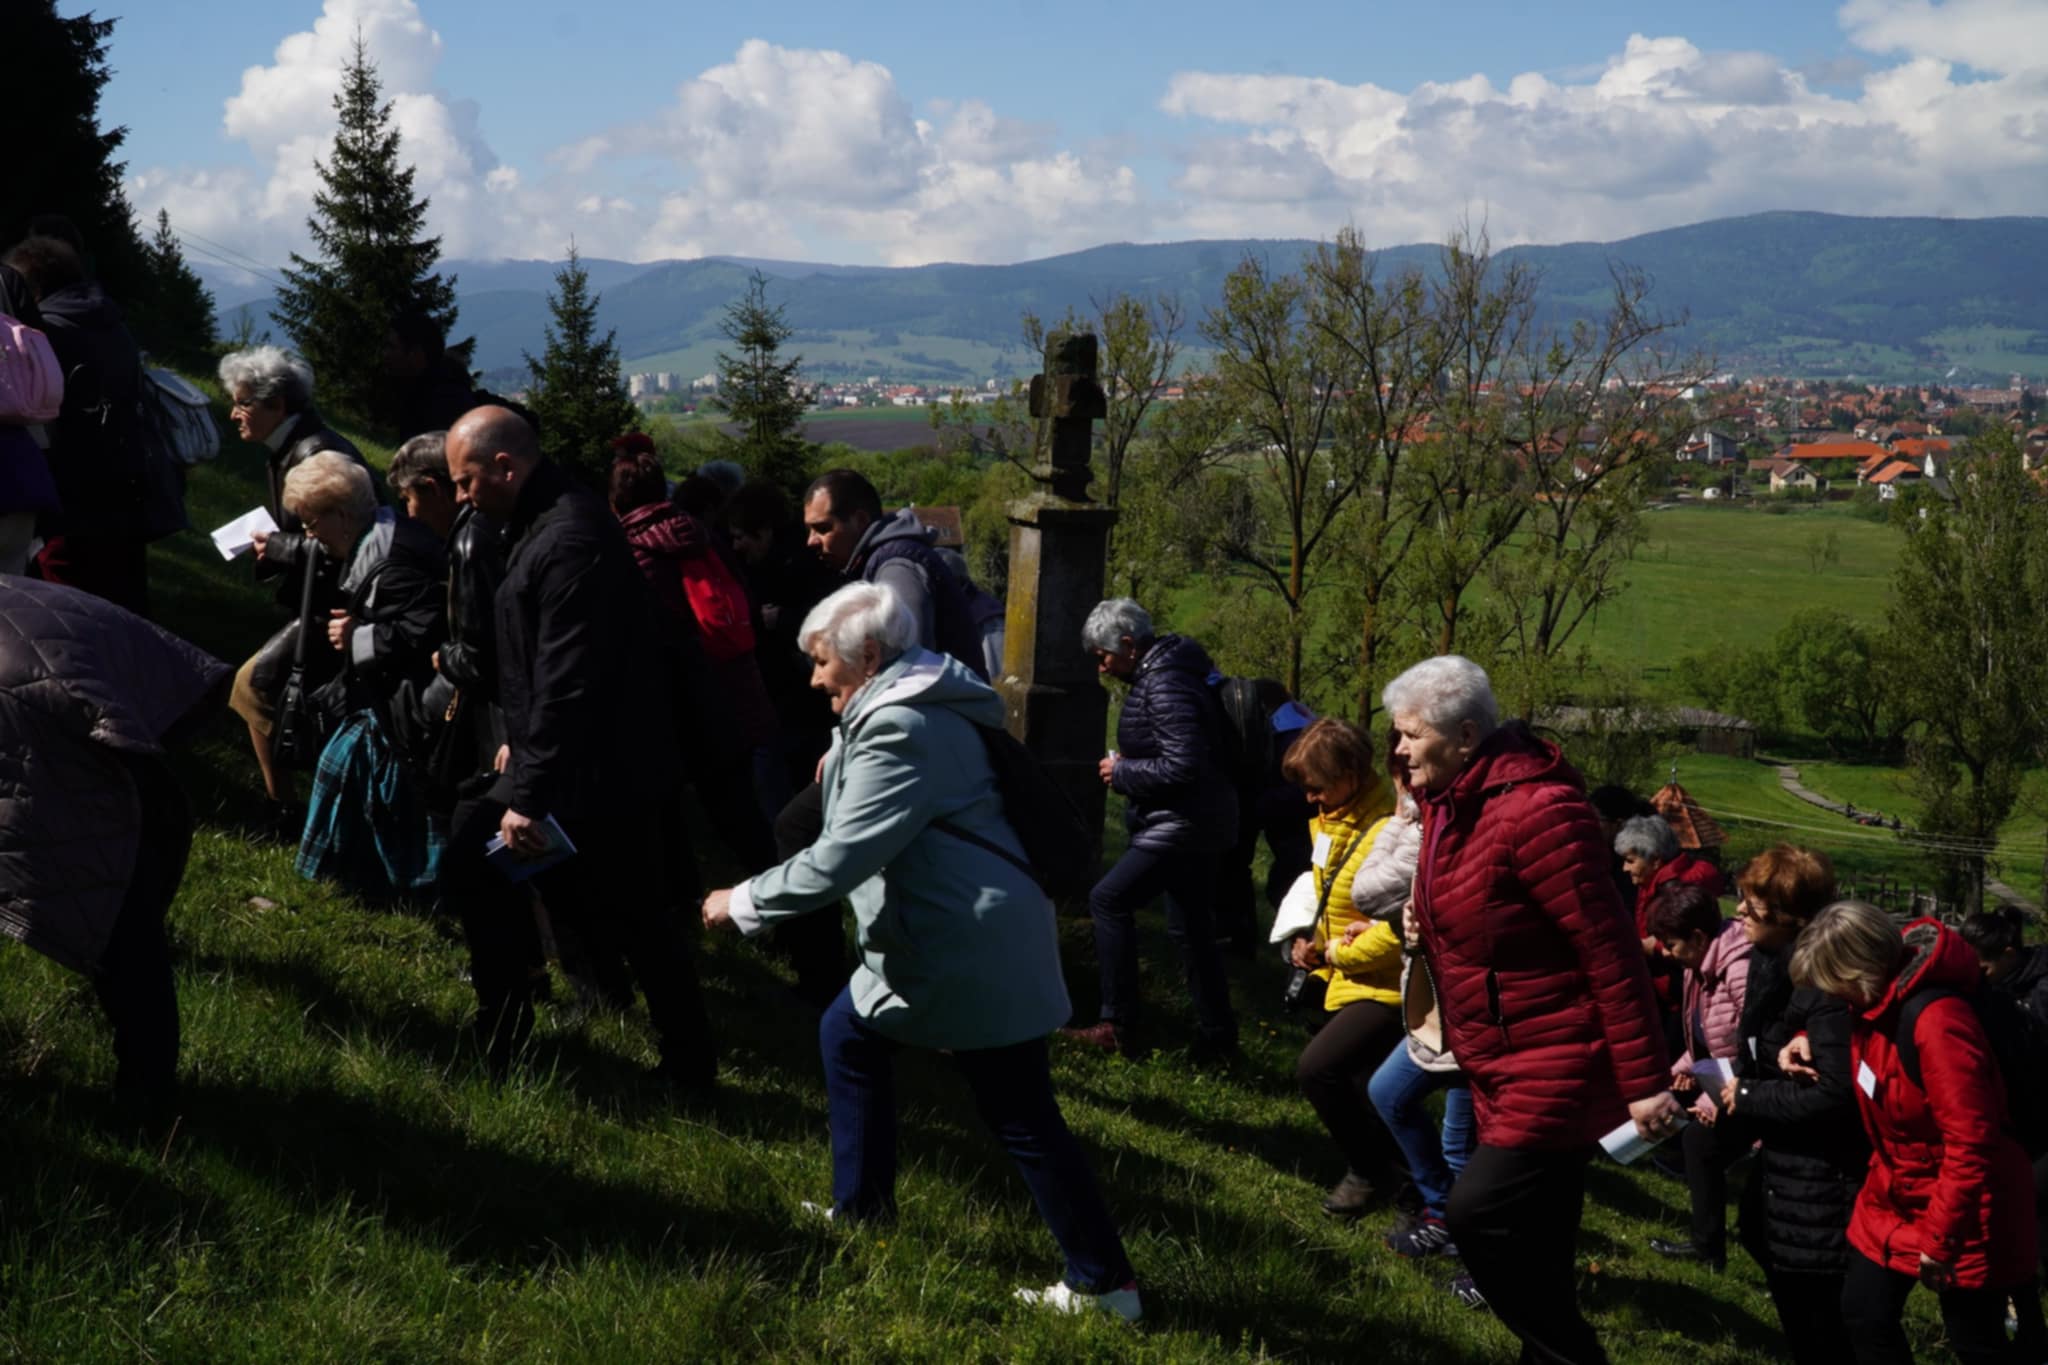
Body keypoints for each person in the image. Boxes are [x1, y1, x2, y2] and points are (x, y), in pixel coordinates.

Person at [700, 582, 1140, 1321]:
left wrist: (740, 901)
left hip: (969, 946)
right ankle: (863, 1210)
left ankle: (1105, 1284)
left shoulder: (901, 728)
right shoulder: (911, 704)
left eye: (822, 662)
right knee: (849, 1035)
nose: (814, 679)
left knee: (1020, 1112)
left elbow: (840, 857)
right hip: (945, 936)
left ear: (869, 656)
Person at [1390, 654, 1677, 1365]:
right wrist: (1422, 925)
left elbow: (1609, 951)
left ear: (1465, 736)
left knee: (1475, 1214)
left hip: (1557, 1059)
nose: (1398, 749)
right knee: (1542, 1244)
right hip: (1499, 1057)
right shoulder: (1452, 805)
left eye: (1412, 734)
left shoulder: (1540, 812)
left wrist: (1645, 1082)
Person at [439, 406, 714, 1086]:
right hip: (579, 757)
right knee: (596, 899)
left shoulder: (568, 539)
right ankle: (525, 1024)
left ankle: (681, 1065)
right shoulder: (547, 521)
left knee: (634, 913)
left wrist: (529, 792)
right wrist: (521, 742)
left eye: (466, 480)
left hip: (600, 768)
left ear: (505, 466)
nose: (462, 497)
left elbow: (569, 675)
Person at [0, 574, 228, 1114]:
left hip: (47, 729)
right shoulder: (15, 587)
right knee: (121, 902)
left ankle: (145, 1102)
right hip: (99, 691)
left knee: (104, 900)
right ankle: (148, 1090)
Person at [1789, 903, 2045, 1365]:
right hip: (1896, 1192)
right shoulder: (1871, 1008)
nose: (1828, 995)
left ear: (1859, 971)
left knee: (1977, 1342)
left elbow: (1970, 1142)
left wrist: (1941, 1239)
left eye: (1832, 983)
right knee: (1865, 1314)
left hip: (1970, 1209)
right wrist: (1808, 1037)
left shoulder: (1938, 1021)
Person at [1063, 598, 1240, 1061]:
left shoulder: (1163, 683)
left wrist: (1122, 772)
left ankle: (1117, 1025)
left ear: (1128, 644)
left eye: (1103, 655)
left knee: (1108, 900)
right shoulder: (1169, 673)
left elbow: (1184, 765)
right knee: (1191, 931)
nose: (1101, 667)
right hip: (1198, 821)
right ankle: (1218, 1037)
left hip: (1182, 824)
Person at [1709, 844, 1865, 1365]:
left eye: (1752, 904)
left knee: (1822, 1319)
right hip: (1789, 1166)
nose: (1739, 911)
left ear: (1788, 915)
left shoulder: (1821, 984)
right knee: (1779, 1266)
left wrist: (1749, 1094)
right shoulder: (1773, 966)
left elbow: (1834, 1092)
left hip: (1821, 1179)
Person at [285, 453, 447, 899]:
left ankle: (369, 886)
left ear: (340, 515)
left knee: (355, 775)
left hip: (410, 704)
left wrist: (359, 637)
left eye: (311, 522)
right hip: (391, 698)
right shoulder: (382, 539)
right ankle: (348, 883)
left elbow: (425, 627)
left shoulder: (392, 560)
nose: (309, 534)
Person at [609, 449, 777, 876]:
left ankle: (691, 902)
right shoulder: (703, 537)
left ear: (616, 501)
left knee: (672, 816)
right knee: (742, 812)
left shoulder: (629, 552)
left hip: (678, 701)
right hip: (733, 687)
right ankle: (786, 898)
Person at [216, 345, 367, 818]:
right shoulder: (296, 445)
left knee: (253, 685)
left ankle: (286, 808)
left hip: (340, 607)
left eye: (243, 403)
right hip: (328, 602)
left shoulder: (315, 454)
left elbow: (350, 541)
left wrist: (279, 547)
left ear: (277, 404)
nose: (234, 414)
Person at [1274, 719, 1407, 1217]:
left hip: (1387, 985)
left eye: (1317, 786)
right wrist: (1312, 942)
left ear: (1351, 774)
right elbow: (1335, 900)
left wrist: (1335, 954)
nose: (1310, 798)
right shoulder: (1333, 820)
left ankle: (1375, 1175)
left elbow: (1396, 929)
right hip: (1347, 976)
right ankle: (1412, 1192)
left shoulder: (1387, 831)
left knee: (1320, 1070)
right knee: (1370, 1092)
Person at [3, 235, 148, 613]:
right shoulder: (113, 324)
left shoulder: (44, 334)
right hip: (125, 486)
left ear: (32, 287)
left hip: (67, 490)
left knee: (62, 606)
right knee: (119, 605)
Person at [800, 468, 1003, 681]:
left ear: (860, 520)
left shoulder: (897, 569)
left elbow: (907, 668)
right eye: (809, 530)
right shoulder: (878, 561)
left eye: (823, 528)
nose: (811, 541)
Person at [1645, 881, 1752, 1270]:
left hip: (1748, 1082)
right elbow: (1707, 1034)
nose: (1667, 953)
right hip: (1722, 1078)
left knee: (1702, 1142)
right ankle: (1707, 1246)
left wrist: (1713, 1096)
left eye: (1672, 944)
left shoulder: (1738, 969)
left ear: (1697, 937)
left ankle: (1711, 1247)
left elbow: (1750, 1045)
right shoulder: (1698, 965)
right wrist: (1678, 1071)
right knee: (1698, 1142)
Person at [727, 479, 841, 811]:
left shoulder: (803, 566)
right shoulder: (780, 563)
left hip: (800, 701)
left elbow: (833, 621)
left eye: (741, 536)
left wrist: (785, 620)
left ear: (763, 532)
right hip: (791, 700)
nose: (736, 546)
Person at [1216, 679, 1315, 955]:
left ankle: (1303, 953)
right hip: (1296, 828)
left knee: (1289, 887)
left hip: (1300, 830)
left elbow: (1297, 791)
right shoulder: (1302, 725)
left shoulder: (1289, 737)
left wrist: (1253, 805)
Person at [379, 309, 485, 441]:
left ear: (415, 354)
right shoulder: (425, 389)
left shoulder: (442, 404)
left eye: (392, 347)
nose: (385, 354)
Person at [1960, 906, 2048, 1021]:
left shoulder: (2042, 992)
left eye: (1983, 970)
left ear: (2009, 955)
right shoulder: (1998, 979)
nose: (1976, 978)